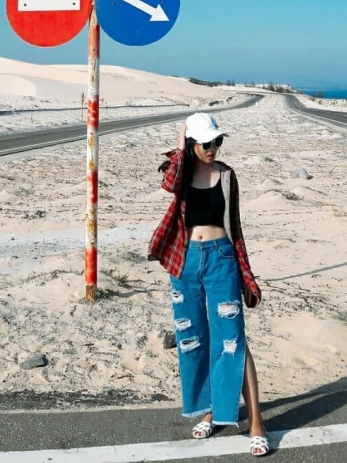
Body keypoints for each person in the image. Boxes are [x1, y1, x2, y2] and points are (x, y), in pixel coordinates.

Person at [148, 112, 269, 457]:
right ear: (192, 144)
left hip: (221, 259)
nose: (213, 147)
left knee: (232, 340)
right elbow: (168, 184)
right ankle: (210, 411)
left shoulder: (227, 176)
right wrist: (179, 148)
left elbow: (236, 227)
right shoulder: (181, 173)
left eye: (217, 141)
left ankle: (257, 423)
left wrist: (246, 274)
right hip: (184, 262)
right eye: (206, 143)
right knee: (193, 340)